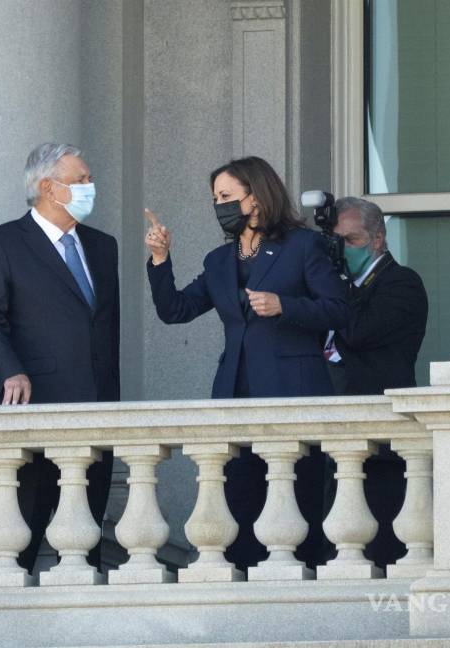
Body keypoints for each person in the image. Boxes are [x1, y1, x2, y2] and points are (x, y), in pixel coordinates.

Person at [145, 155, 349, 571]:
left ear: (255, 197)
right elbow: (176, 309)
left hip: (294, 392)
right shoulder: (219, 261)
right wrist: (161, 260)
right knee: (239, 503)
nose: (218, 204)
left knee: (296, 504)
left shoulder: (303, 245)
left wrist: (284, 306)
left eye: (226, 196)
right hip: (235, 394)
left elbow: (339, 310)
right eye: (215, 198)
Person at [0, 143, 118, 572]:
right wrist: (8, 370)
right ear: (49, 188)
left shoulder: (103, 247)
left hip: (95, 417)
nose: (91, 187)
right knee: (17, 548)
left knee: (86, 550)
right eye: (81, 180)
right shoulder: (3, 243)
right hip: (32, 416)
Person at [326, 196, 429, 570]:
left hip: (381, 444)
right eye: (335, 244)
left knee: (378, 554)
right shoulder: (340, 289)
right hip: (334, 438)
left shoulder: (401, 283)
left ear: (378, 239)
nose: (342, 253)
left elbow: (358, 332)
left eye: (350, 241)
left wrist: (330, 285)